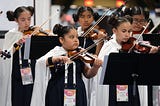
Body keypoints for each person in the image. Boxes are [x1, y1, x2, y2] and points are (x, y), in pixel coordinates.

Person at [30, 24, 102, 106]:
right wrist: (55, 59)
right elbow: (40, 62)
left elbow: (88, 74)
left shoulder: (80, 54)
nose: (76, 40)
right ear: (61, 40)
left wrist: (95, 67)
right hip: (57, 90)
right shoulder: (56, 52)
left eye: (77, 37)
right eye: (71, 37)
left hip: (78, 90)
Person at [95, 15, 159, 106]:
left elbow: (140, 65)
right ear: (114, 31)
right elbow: (102, 66)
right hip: (115, 86)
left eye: (129, 31)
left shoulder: (132, 45)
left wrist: (150, 54)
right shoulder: (109, 45)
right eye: (124, 31)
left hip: (130, 85)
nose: (127, 35)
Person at [1, 6, 36, 106]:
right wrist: (17, 43)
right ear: (16, 20)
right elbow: (6, 54)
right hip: (17, 71)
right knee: (18, 97)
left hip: (31, 69)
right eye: (23, 20)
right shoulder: (11, 34)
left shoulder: (34, 33)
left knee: (30, 98)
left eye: (29, 19)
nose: (27, 23)